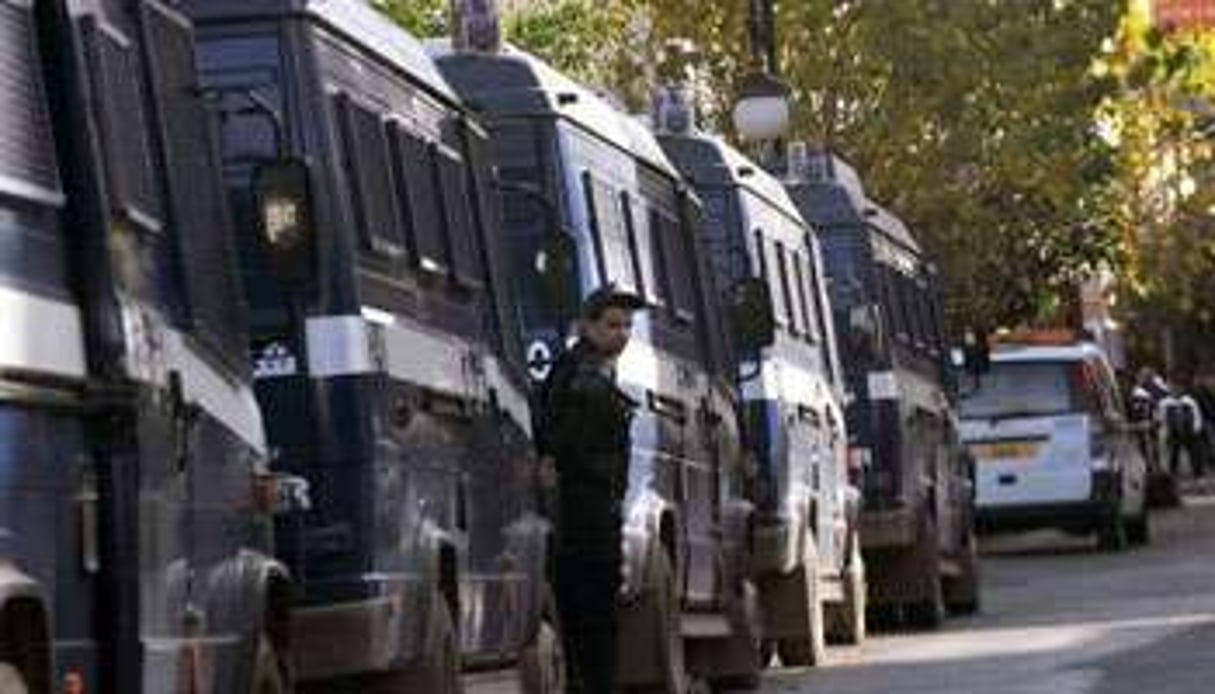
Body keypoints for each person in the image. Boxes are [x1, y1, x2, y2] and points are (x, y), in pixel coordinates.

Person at [534, 284, 644, 694]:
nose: (623, 334)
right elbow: (565, 445)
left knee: (593, 619)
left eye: (628, 326)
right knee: (593, 620)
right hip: (584, 518)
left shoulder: (592, 369)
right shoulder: (585, 375)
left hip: (593, 512)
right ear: (587, 326)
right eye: (613, 324)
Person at [1158, 381, 1207, 479]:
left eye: (1178, 389)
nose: (1176, 391)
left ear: (1183, 390)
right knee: (1173, 452)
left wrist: (1196, 428)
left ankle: (1198, 472)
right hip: (1174, 431)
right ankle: (1173, 472)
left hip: (1189, 430)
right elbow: (1162, 418)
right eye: (1173, 389)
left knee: (1195, 452)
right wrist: (1164, 431)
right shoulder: (1165, 403)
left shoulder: (1189, 401)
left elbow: (1197, 415)